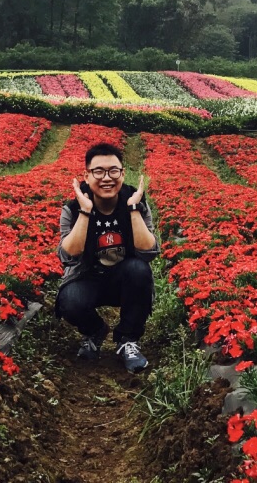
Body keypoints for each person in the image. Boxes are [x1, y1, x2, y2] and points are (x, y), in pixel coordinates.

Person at [55, 142, 159, 373]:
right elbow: (68, 257)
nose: (107, 178)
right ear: (87, 175)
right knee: (70, 301)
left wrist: (133, 210)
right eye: (98, 172)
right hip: (88, 278)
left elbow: (149, 252)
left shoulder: (135, 201)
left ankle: (127, 340)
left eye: (113, 171)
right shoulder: (72, 208)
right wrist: (85, 211)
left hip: (124, 279)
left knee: (139, 270)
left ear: (122, 173)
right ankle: (94, 331)